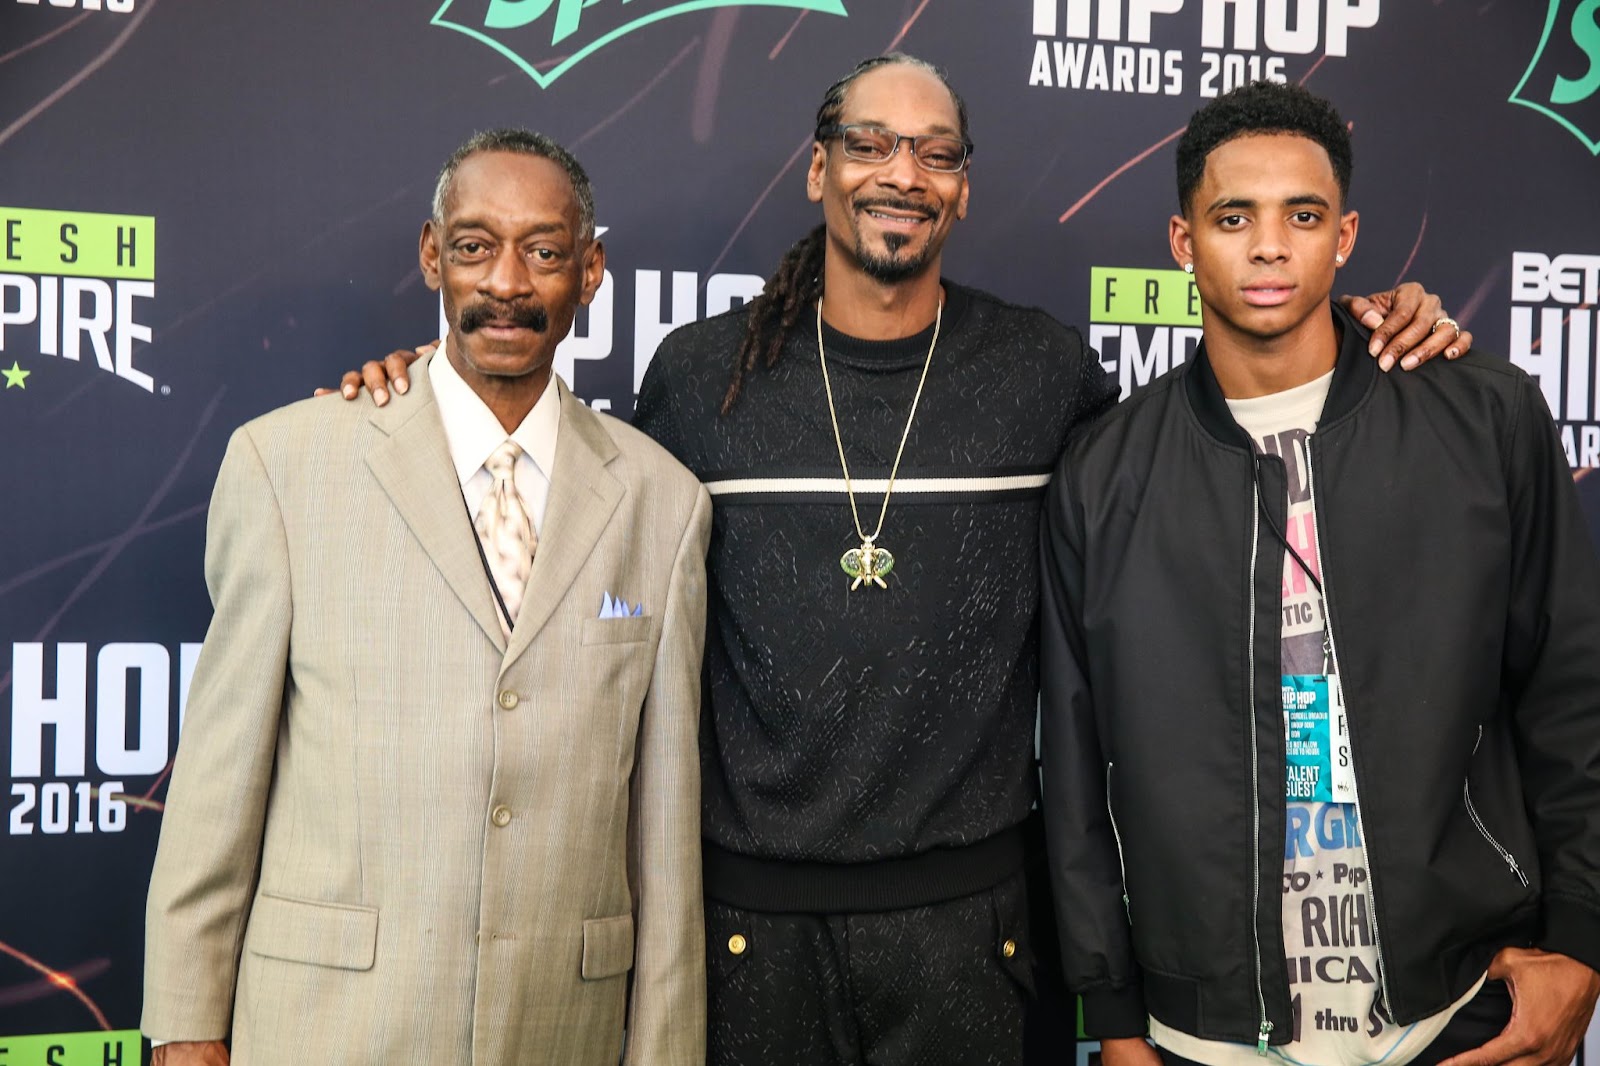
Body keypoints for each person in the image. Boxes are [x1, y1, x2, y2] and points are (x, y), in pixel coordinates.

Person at [338, 57, 1468, 1065]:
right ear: (817, 171)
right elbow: (570, 495)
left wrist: (1368, 331)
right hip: (742, 931)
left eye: (935, 153)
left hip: (976, 929)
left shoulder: (1042, 371)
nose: (901, 173)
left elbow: (1211, 429)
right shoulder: (699, 376)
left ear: (963, 188)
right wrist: (429, 386)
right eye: (869, 144)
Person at [1039, 80, 1600, 1066]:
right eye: (1231, 217)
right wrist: (1114, 1018)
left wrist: (1582, 940)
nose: (1267, 246)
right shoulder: (1103, 470)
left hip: (1453, 1013)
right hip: (1201, 1034)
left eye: (1301, 216)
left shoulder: (1484, 418)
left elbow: (1569, 696)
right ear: (1182, 242)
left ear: (1343, 239)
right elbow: (1076, 763)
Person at [142, 129, 711, 1065]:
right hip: (325, 1028)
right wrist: (187, 1023)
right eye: (477, 245)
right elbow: (215, 785)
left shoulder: (665, 504)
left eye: (545, 250)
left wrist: (665, 1048)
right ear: (431, 255)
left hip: (558, 1031)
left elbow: (663, 828)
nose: (508, 284)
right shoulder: (288, 465)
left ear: (592, 270)